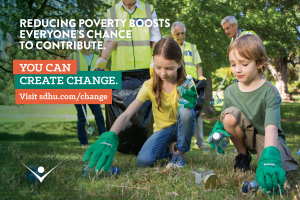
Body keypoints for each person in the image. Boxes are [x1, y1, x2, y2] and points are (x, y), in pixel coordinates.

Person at [82, 38, 197, 170]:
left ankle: (180, 154)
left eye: (169, 68)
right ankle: (168, 151)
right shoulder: (149, 86)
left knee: (186, 110)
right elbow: (127, 114)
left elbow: (189, 115)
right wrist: (110, 135)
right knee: (144, 161)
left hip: (182, 128)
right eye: (158, 67)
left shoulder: (186, 84)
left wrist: (190, 103)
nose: (163, 73)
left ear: (179, 63)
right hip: (163, 130)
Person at [208, 34, 298, 194]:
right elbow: (225, 120)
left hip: (266, 136)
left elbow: (271, 128)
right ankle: (243, 155)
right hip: (245, 136)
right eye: (233, 64)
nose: (237, 69)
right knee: (229, 115)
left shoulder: (269, 91)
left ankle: (266, 157)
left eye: (244, 63)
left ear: (260, 62)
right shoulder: (229, 91)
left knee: (281, 168)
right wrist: (218, 133)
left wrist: (269, 158)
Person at [93, 0, 161, 71]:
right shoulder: (112, 12)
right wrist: (101, 63)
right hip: (121, 69)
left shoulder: (149, 9)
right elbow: (110, 40)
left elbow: (155, 39)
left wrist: (157, 60)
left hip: (147, 67)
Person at [171, 21, 205, 148]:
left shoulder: (192, 47)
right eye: (177, 33)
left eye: (183, 33)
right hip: (176, 83)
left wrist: (201, 78)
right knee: (178, 111)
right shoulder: (170, 47)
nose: (180, 36)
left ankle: (200, 142)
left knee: (196, 112)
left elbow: (198, 66)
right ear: (172, 34)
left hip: (192, 84)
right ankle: (177, 141)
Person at [68, 34, 106, 145]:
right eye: (82, 42)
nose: (85, 44)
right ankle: (83, 142)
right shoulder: (73, 56)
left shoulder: (96, 58)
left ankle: (103, 140)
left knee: (99, 115)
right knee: (81, 117)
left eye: (87, 42)